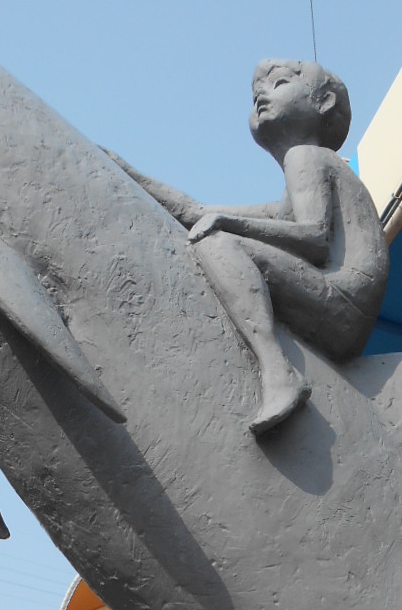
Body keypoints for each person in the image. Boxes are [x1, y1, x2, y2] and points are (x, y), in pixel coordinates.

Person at [111, 59, 388, 436]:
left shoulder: (306, 157)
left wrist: (228, 225)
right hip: (345, 309)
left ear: (322, 101)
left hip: (344, 299)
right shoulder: (298, 183)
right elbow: (196, 211)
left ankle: (277, 372)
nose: (261, 95)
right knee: (214, 232)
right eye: (256, 91)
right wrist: (128, 173)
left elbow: (315, 238)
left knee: (217, 244)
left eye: (279, 83)